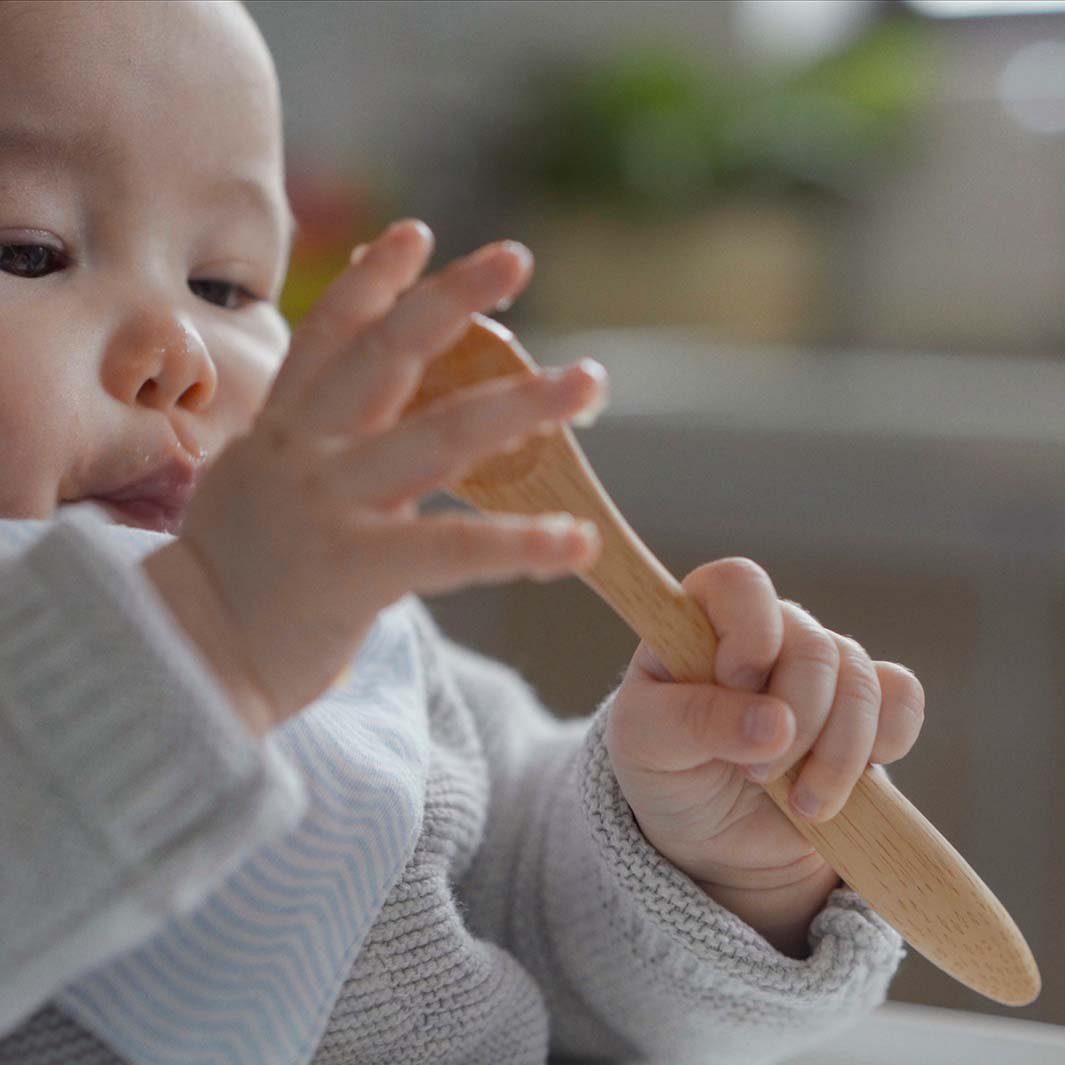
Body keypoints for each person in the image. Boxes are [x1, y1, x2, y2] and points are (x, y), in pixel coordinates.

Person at [0, 2, 925, 1063]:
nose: (181, 351)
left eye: (225, 285)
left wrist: (710, 862)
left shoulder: (366, 651)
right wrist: (197, 640)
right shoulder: (230, 617)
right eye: (28, 251)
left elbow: (532, 912)